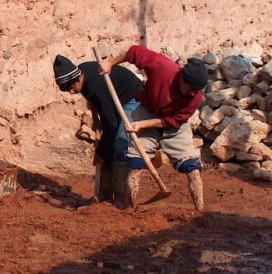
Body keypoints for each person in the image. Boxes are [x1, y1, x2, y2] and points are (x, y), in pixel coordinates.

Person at [99, 45, 208, 210]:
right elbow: (133, 52)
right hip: (147, 111)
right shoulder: (162, 67)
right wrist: (110, 63)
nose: (193, 93)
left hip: (174, 126)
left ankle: (200, 212)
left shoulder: (195, 98)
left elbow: (172, 121)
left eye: (197, 90)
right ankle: (130, 209)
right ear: (182, 79)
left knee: (192, 169)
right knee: (134, 166)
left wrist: (141, 125)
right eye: (191, 89)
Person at [53, 54, 143, 208]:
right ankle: (104, 196)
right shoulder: (80, 74)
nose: (72, 93)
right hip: (112, 98)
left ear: (79, 78)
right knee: (108, 147)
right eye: (67, 90)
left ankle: (122, 199)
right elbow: (92, 100)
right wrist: (95, 119)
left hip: (132, 97)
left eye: (72, 88)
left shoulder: (96, 86)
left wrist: (100, 152)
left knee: (120, 143)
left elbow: (111, 125)